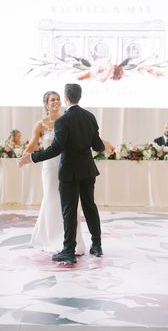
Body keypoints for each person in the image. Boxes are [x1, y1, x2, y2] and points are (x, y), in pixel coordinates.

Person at [19, 84, 115, 265]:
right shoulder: (90, 116)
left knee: (69, 210)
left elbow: (55, 149)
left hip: (69, 172)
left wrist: (32, 158)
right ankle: (97, 246)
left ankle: (69, 251)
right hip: (88, 170)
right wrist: (104, 146)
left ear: (66, 97)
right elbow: (97, 146)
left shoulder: (63, 121)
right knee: (89, 207)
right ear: (79, 96)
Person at [22, 90, 85, 255]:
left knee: (69, 202)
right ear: (46, 104)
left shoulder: (67, 121)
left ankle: (69, 239)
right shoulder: (40, 124)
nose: (56, 102)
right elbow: (32, 144)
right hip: (49, 167)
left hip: (67, 165)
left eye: (58, 99)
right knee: (51, 199)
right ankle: (50, 238)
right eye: (52, 100)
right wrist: (24, 157)